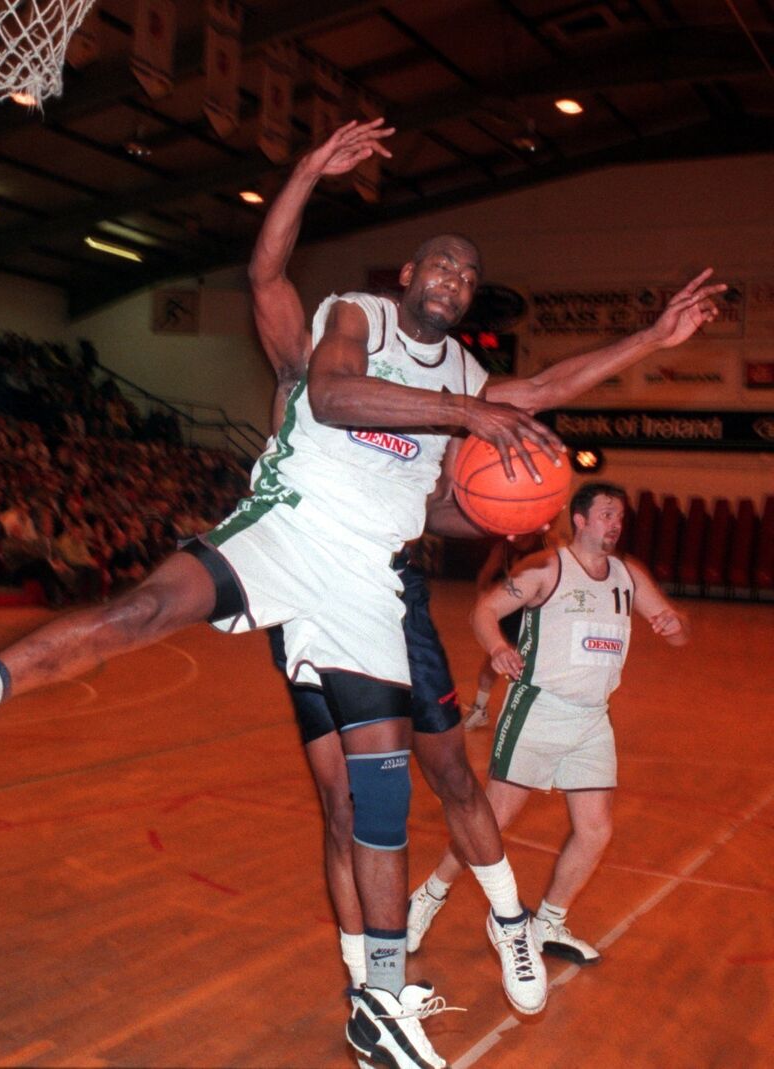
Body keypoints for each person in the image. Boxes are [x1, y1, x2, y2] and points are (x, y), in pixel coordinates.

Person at [242, 118, 724, 1039]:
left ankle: (509, 922)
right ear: (405, 277)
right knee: (340, 803)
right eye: (441, 265)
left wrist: (651, 338)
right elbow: (264, 274)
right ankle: (367, 985)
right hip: (302, 584)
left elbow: (542, 389)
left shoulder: (457, 374)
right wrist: (305, 171)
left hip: (390, 592)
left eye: (468, 274)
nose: (454, 280)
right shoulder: (321, 349)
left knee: (453, 775)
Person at [408, 482, 688, 968]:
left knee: (596, 829)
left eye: (619, 516)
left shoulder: (628, 574)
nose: (615, 523)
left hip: (592, 719)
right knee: (488, 825)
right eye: (605, 514)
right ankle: (428, 898)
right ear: (579, 520)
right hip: (538, 711)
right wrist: (497, 647)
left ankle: (549, 922)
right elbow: (485, 610)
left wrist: (673, 624)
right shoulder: (546, 568)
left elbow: (676, 629)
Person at [463, 531, 548, 730]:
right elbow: (485, 574)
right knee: (495, 659)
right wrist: (484, 600)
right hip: (514, 610)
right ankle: (480, 708)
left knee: (537, 663)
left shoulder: (549, 545)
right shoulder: (503, 548)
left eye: (521, 532)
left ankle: (538, 714)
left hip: (540, 612)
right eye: (513, 533)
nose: (516, 537)